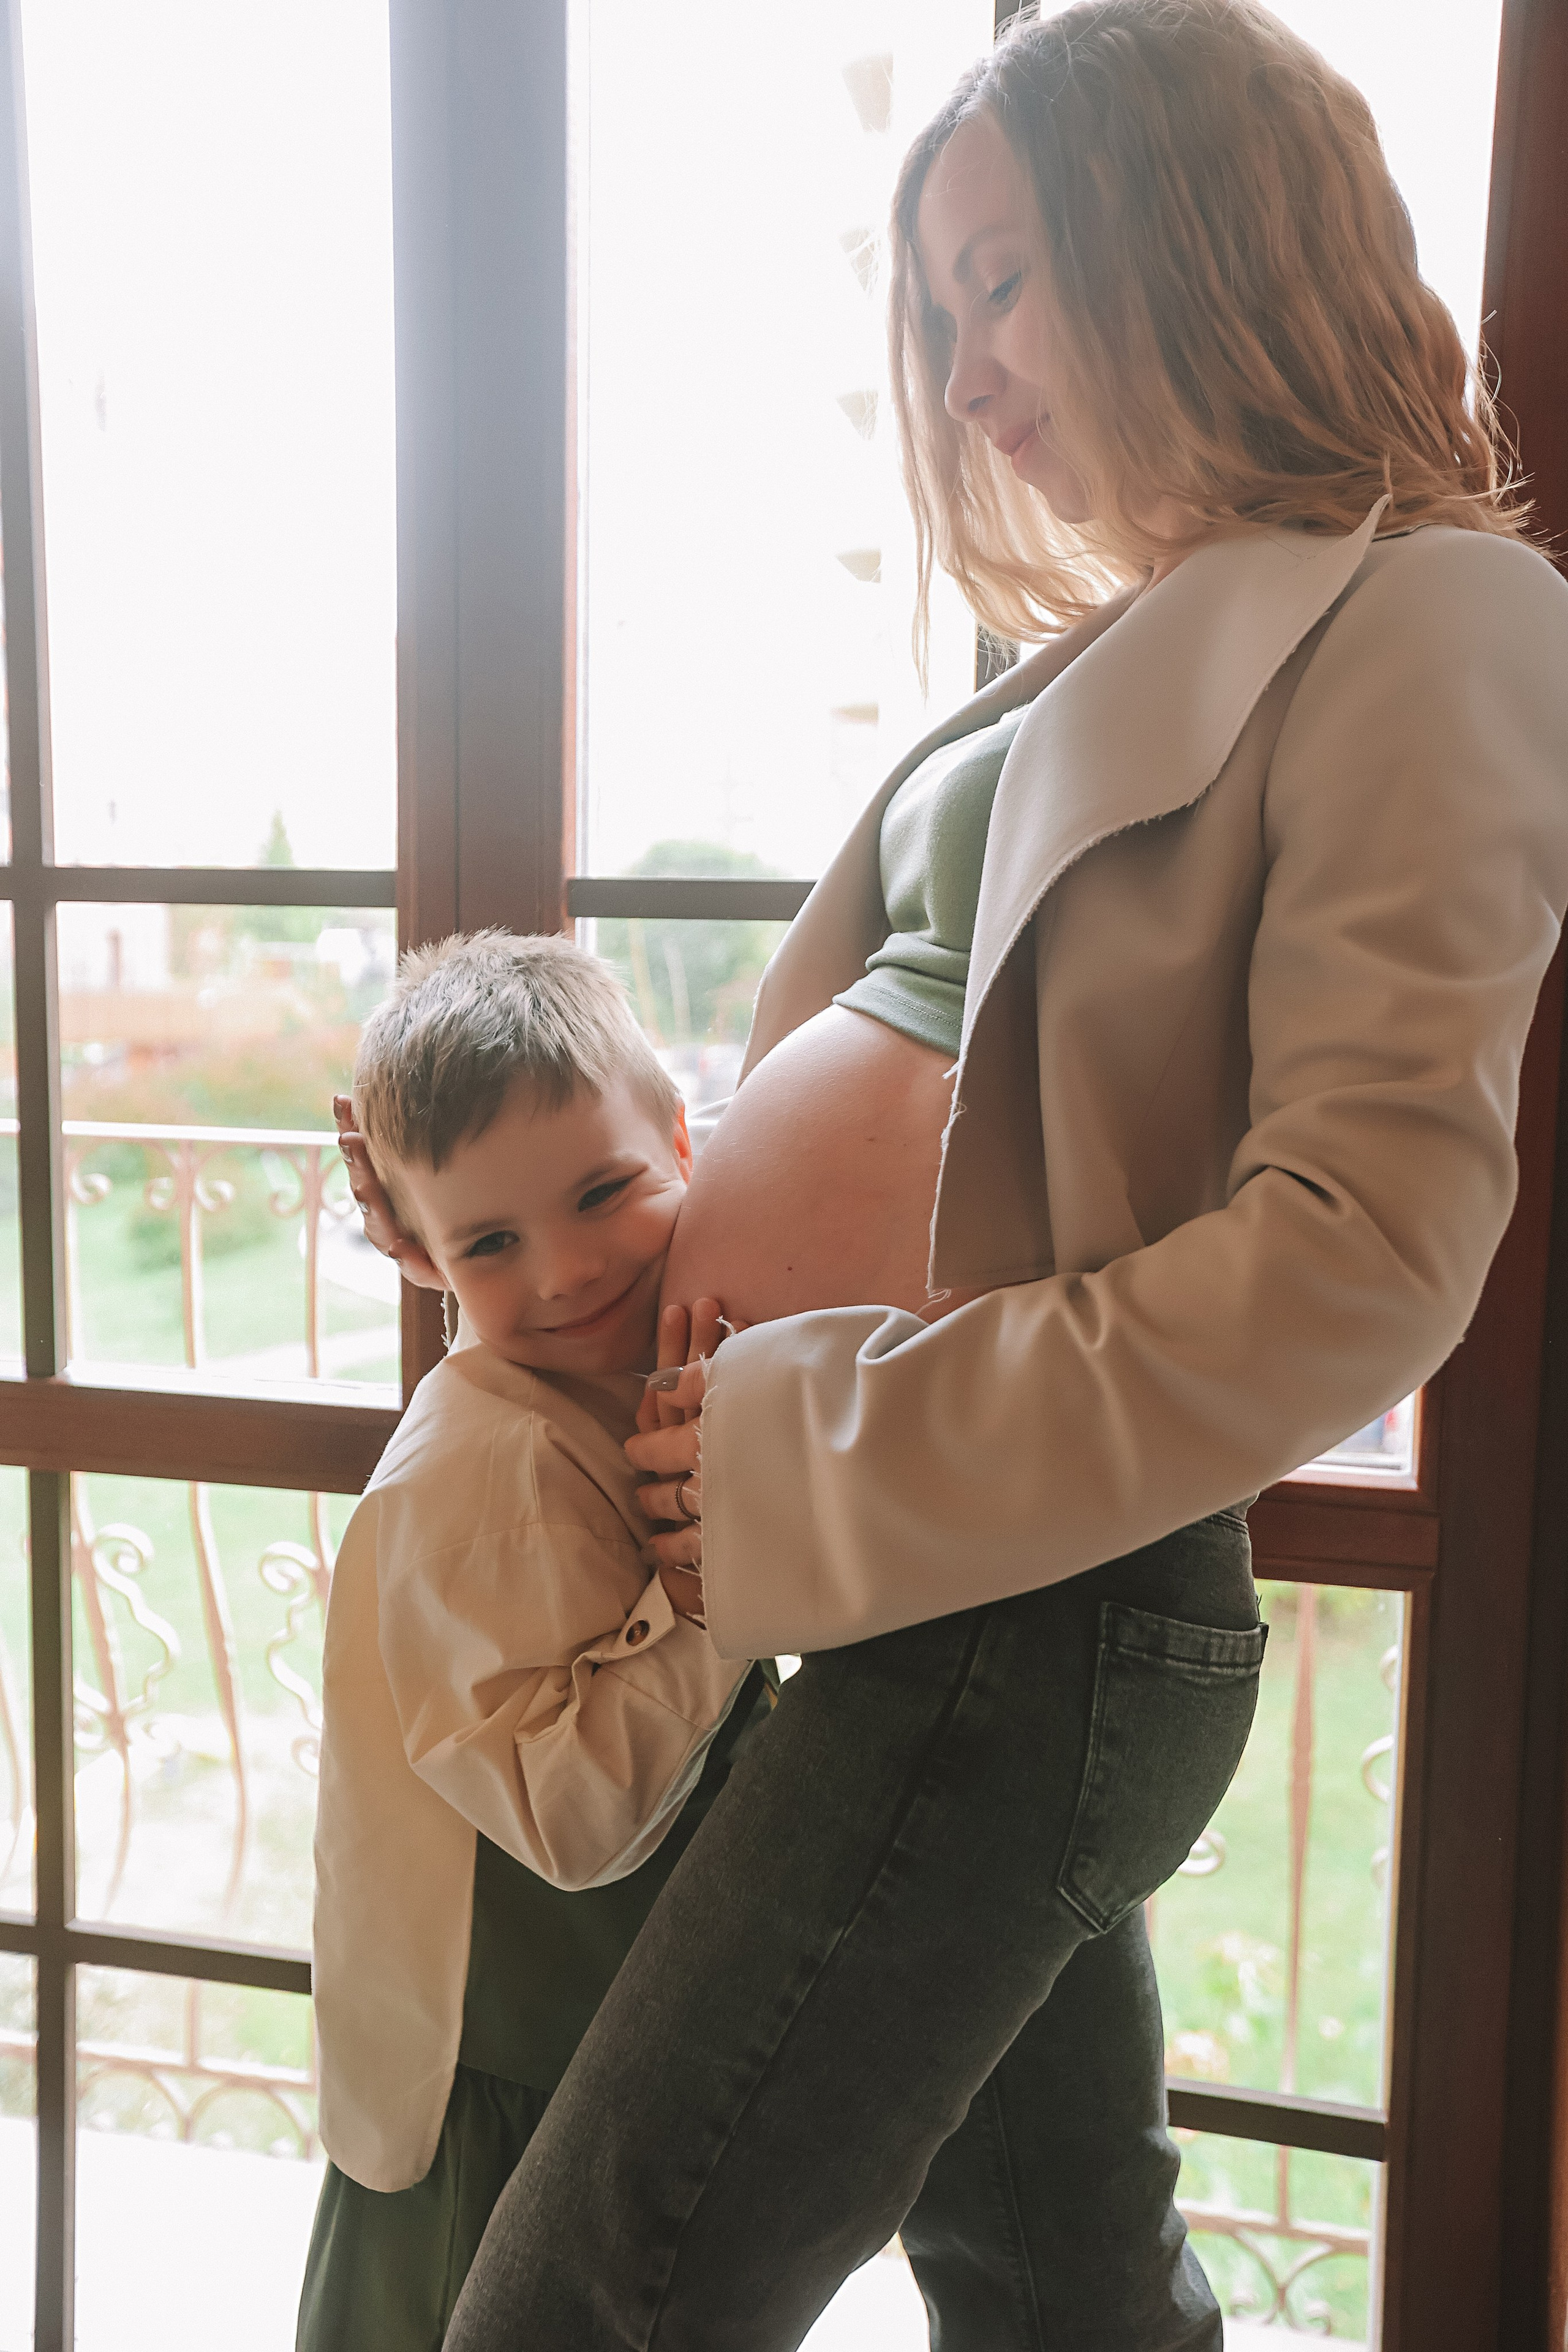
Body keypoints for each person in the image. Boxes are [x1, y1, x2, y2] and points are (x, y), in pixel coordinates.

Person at [344, 5, 1568, 2346]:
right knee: (1064, 2293)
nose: (969, 368)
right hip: (915, 1602)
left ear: (1200, 235)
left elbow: (1368, 1257)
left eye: (1007, 279)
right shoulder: (1096, 648)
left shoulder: (1434, 616)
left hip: (1033, 1615)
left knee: (582, 2306)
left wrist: (826, 1436)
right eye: (941, 307)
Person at [298, 932, 771, 2352]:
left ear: (686, 1142)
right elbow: (570, 1817)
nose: (565, 1272)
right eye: (490, 1244)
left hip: (586, 2040)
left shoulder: (642, 1377)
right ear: (419, 1258)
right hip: (494, 2078)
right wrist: (719, 1590)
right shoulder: (483, 1476)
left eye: (604, 1194)